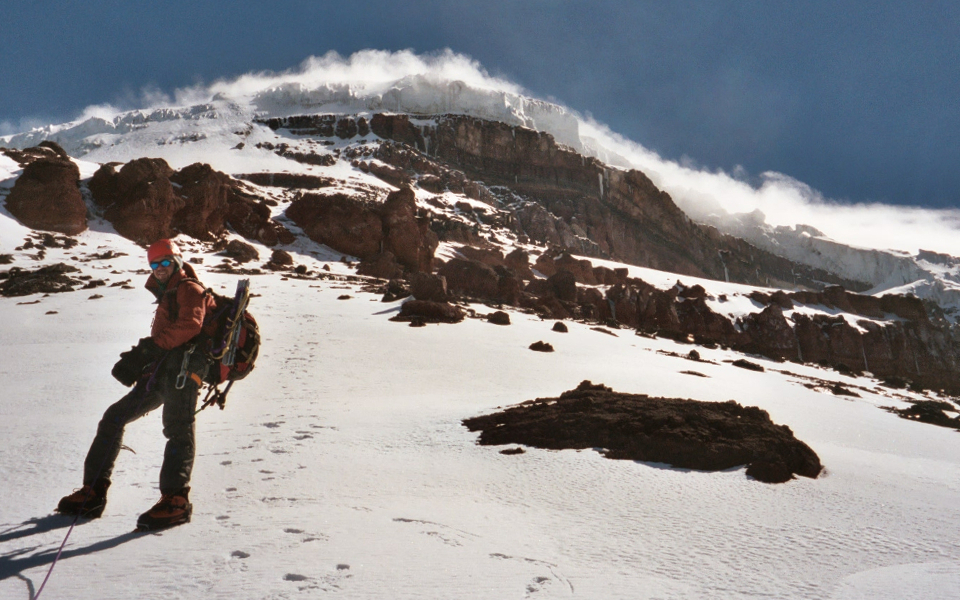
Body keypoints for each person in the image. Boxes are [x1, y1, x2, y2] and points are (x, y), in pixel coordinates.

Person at [57, 239, 216, 530]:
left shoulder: (189, 288)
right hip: (162, 370)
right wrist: (145, 360)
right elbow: (166, 337)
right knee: (113, 418)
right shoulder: (168, 292)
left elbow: (191, 325)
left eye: (165, 262)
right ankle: (93, 492)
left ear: (177, 261)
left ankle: (176, 501)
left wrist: (149, 348)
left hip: (185, 369)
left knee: (177, 428)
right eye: (154, 265)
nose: (159, 269)